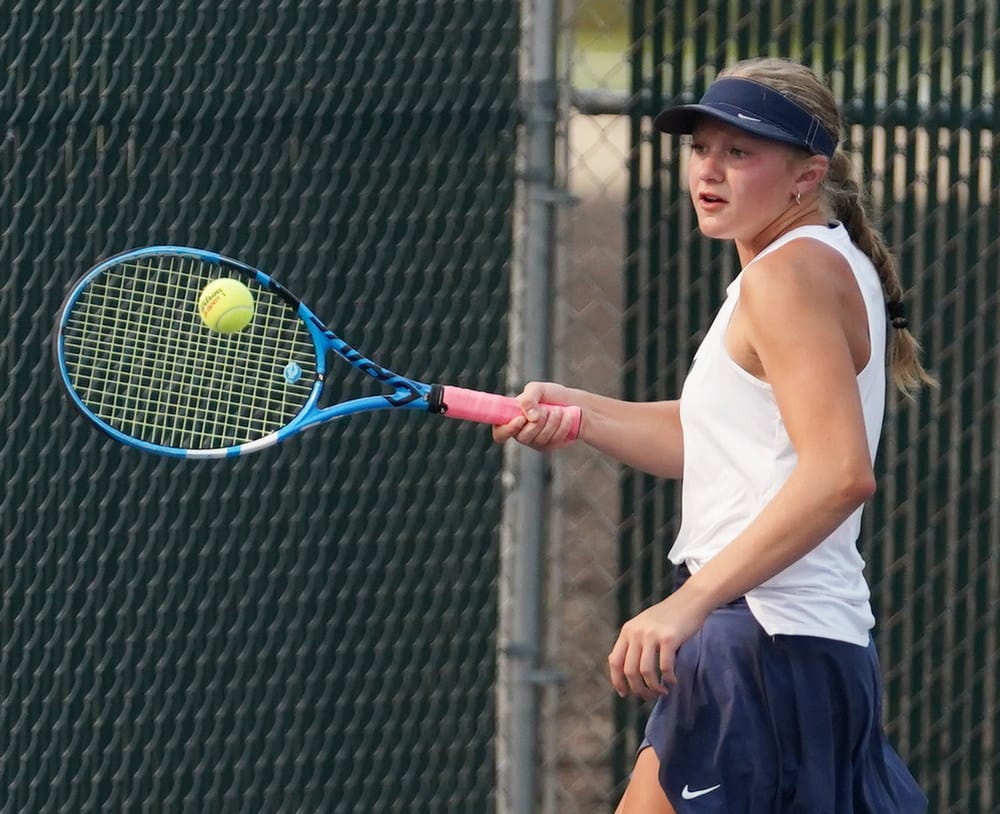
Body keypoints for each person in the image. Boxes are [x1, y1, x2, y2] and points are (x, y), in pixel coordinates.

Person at [492, 58, 933, 813]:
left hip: (763, 641)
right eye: (701, 149)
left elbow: (839, 475)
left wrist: (688, 603)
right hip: (777, 642)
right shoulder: (813, 262)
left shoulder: (786, 278)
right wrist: (585, 412)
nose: (711, 170)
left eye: (741, 152)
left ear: (807, 174)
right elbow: (728, 441)